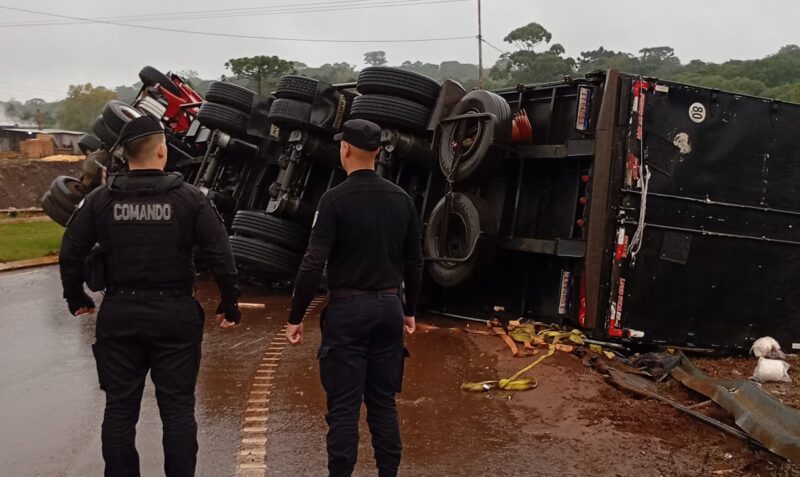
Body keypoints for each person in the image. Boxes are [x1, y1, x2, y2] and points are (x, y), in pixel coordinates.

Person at [59, 115, 241, 477]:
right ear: (162, 150)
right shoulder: (190, 199)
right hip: (174, 314)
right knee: (177, 409)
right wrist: (229, 302)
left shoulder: (99, 201)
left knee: (120, 409)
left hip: (121, 312)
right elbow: (222, 254)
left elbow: (70, 252)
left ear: (125, 156)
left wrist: (75, 296)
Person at [286, 119, 424, 477]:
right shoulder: (402, 200)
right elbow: (415, 261)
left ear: (345, 149)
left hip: (348, 310)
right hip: (390, 307)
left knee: (344, 407)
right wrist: (409, 311)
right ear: (378, 152)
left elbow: (313, 261)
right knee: (382, 404)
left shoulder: (333, 200)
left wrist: (296, 316)